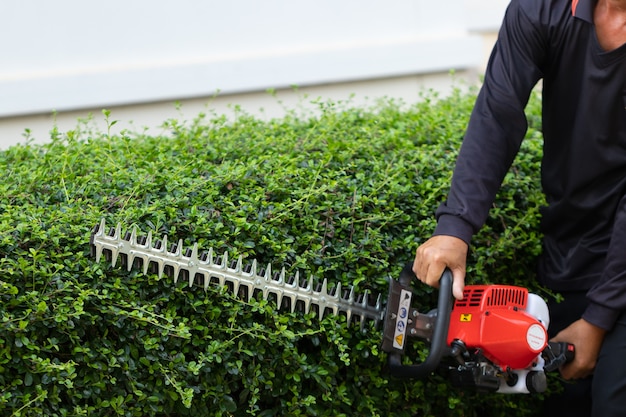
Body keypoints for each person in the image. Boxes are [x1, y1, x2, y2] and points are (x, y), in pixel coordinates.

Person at [412, 0, 626, 415]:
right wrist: (455, 226)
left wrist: (599, 319)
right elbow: (498, 112)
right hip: (577, 248)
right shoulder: (542, 9)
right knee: (571, 402)